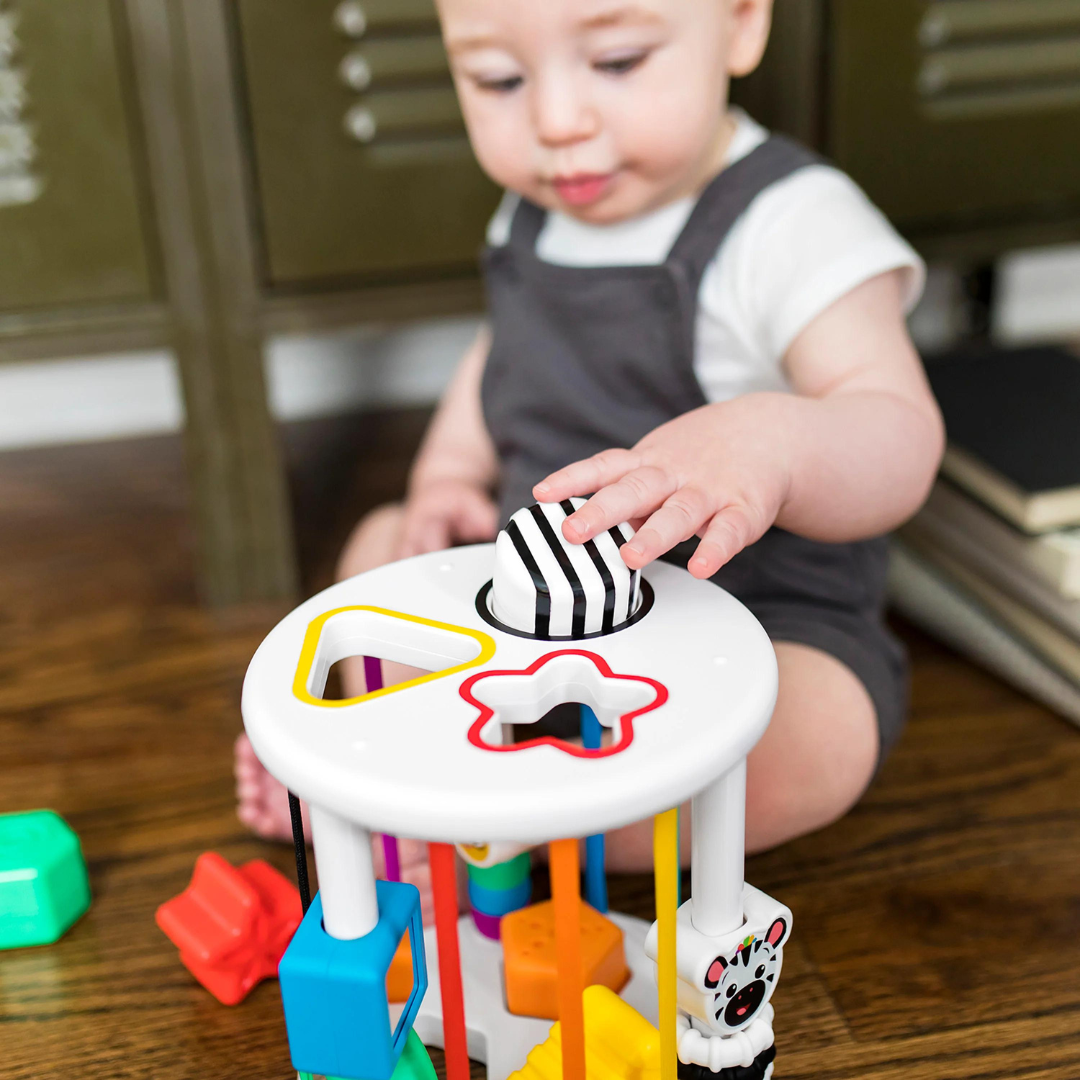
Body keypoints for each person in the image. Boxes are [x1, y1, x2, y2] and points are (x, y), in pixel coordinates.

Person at [236, 0, 944, 903]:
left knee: (822, 740)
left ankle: (495, 826)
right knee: (381, 545)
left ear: (740, 23)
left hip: (744, 627)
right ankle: (417, 778)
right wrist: (448, 476)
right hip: (527, 615)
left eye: (616, 61)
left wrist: (773, 440)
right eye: (498, 80)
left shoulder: (793, 223)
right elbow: (503, 353)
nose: (556, 122)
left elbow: (900, 431)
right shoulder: (536, 213)